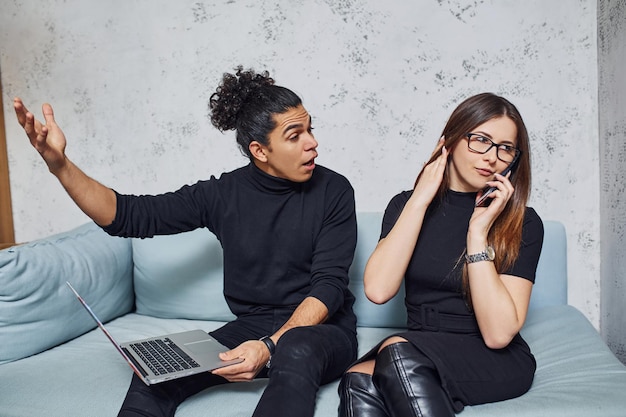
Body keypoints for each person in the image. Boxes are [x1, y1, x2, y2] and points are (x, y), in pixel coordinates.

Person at [14, 66, 358, 417]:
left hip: (322, 331)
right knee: (155, 373)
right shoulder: (222, 195)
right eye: (294, 135)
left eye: (310, 129)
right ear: (260, 150)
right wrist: (60, 165)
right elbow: (129, 216)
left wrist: (269, 347)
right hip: (251, 327)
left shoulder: (334, 190)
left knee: (295, 349)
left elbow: (328, 287)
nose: (312, 142)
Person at [338, 92, 544, 417]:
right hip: (419, 350)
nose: (491, 157)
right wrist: (420, 200)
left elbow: (498, 334)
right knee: (357, 380)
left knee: (395, 353)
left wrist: (478, 233)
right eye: (480, 140)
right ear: (449, 141)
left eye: (505, 148)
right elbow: (378, 290)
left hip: (492, 357)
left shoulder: (523, 222)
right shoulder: (405, 205)